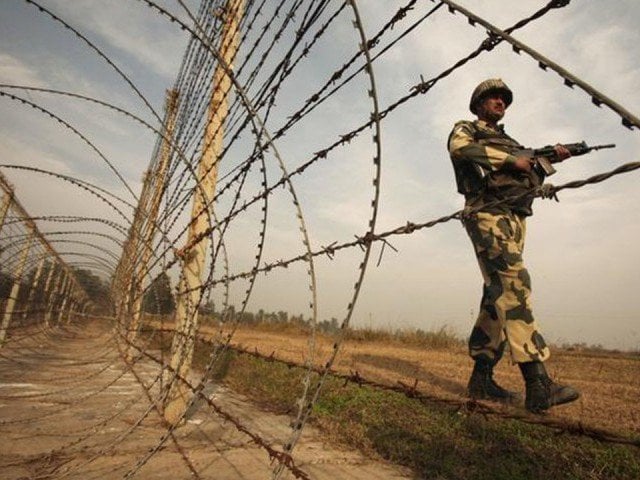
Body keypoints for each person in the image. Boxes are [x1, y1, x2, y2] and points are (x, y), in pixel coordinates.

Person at [447, 78, 580, 413]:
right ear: (478, 104)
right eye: (492, 97)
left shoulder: (512, 141)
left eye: (503, 99)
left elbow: (525, 177)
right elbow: (459, 149)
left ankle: (481, 378)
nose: (499, 102)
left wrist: (547, 163)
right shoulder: (467, 128)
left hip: (515, 217)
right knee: (515, 284)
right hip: (485, 212)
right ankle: (538, 382)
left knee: (497, 294)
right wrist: (512, 160)